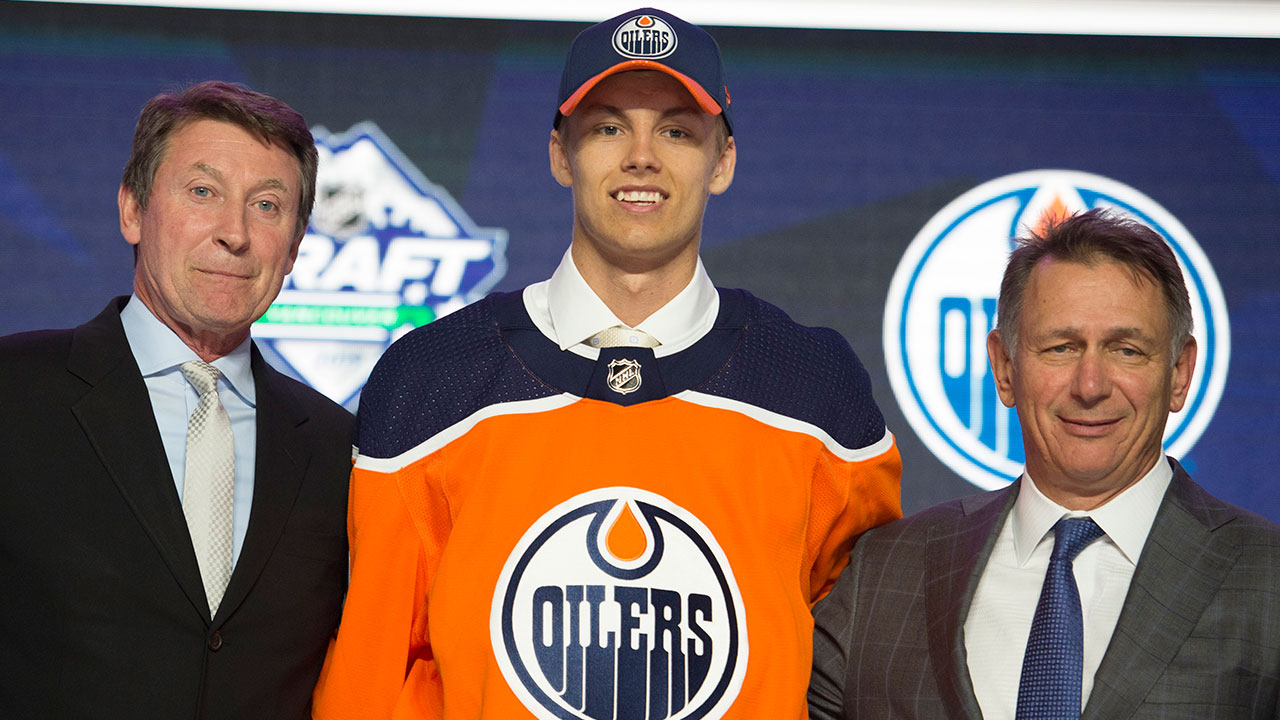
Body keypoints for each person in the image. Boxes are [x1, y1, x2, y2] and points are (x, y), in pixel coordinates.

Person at [312, 7, 901, 719]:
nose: (641, 156)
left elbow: (866, 672)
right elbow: (370, 680)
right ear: (560, 155)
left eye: (677, 130)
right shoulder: (431, 379)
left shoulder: (813, 386)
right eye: (608, 128)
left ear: (723, 161)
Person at [809, 208, 1280, 719]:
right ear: (1004, 367)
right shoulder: (884, 571)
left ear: (1180, 373)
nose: (1091, 386)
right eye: (1061, 348)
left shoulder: (1267, 575)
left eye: (1126, 350)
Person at [0, 81, 354, 719]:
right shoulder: (13, 392)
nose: (235, 234)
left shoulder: (339, 449)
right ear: (132, 211)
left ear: (295, 247)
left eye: (267, 205)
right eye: (202, 192)